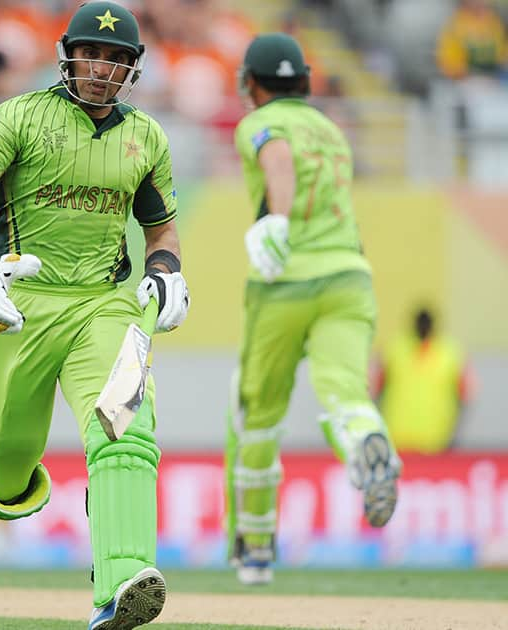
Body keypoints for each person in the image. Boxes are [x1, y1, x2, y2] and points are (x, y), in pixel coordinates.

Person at [0, 3, 190, 629]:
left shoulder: (147, 137)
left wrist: (166, 273)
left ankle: (120, 583)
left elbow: (163, 234)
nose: (102, 69)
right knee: (8, 480)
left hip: (107, 306)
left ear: (132, 68)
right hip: (19, 303)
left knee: (126, 427)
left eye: (117, 59)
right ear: (68, 54)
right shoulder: (16, 117)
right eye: (92, 54)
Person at [225, 32, 403, 587]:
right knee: (345, 390)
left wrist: (275, 221)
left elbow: (278, 160)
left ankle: (255, 549)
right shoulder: (332, 130)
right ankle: (364, 445)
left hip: (284, 282)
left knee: (257, 413)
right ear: (302, 78)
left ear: (251, 84)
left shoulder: (257, 123)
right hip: (350, 276)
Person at [373, 307, 475, 455]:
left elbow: (465, 395)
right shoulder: (394, 348)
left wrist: (454, 435)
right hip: (398, 439)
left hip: (437, 440)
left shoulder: (451, 351)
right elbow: (376, 390)